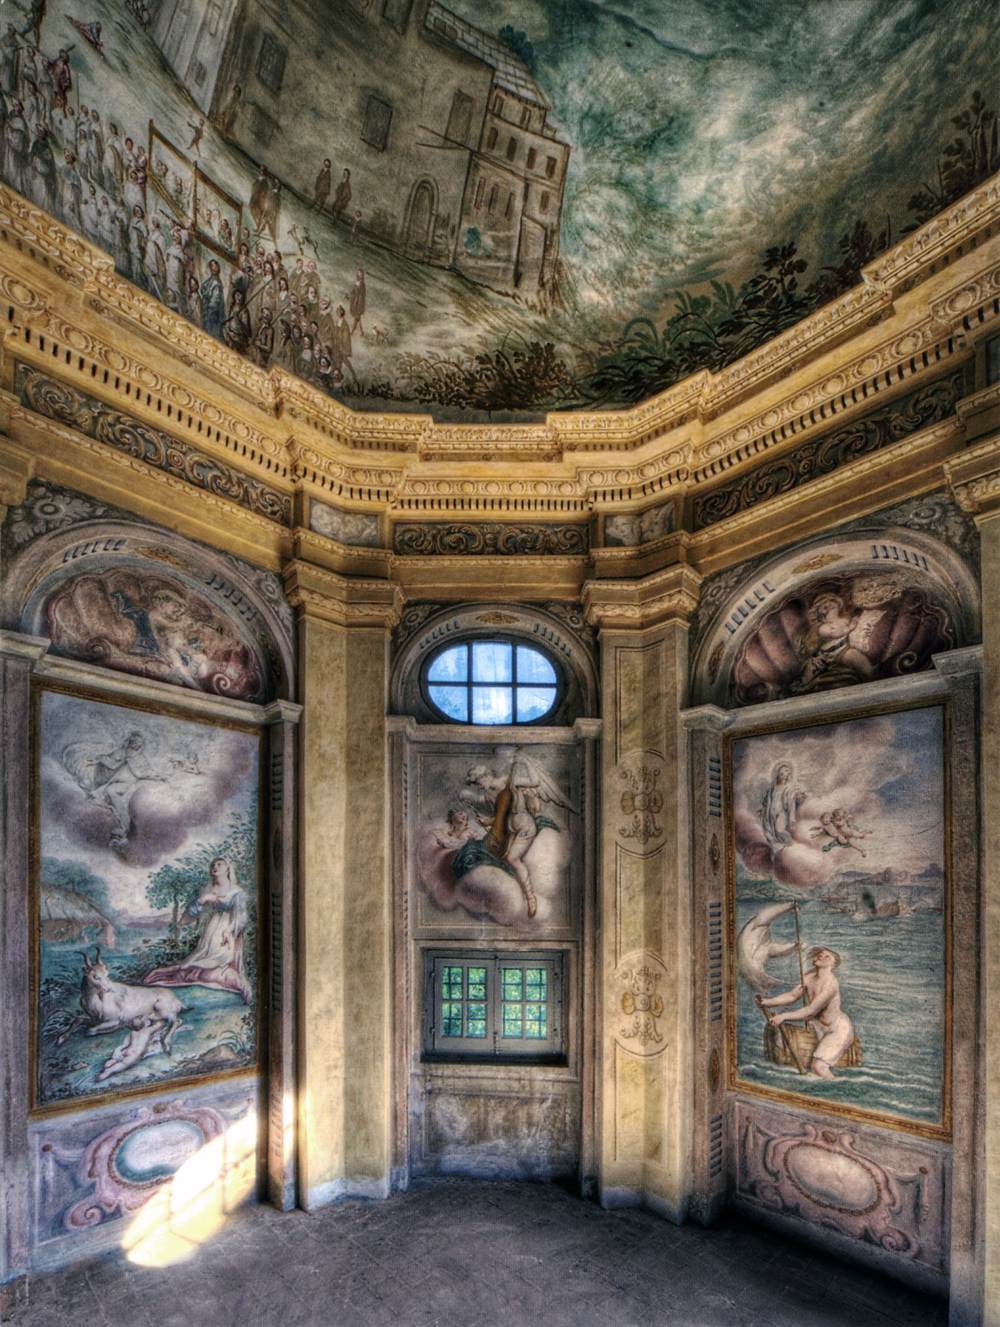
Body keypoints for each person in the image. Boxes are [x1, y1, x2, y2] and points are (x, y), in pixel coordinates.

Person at [143, 856, 253, 1003]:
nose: (215, 866)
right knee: (200, 960)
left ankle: (228, 979)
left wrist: (229, 931)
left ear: (228, 869)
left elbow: (241, 915)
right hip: (211, 929)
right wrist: (202, 900)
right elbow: (192, 912)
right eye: (213, 864)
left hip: (227, 929)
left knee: (221, 959)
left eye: (219, 864)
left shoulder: (236, 891)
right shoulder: (209, 889)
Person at [757, 947, 854, 1079]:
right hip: (818, 1027)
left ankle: (836, 1086)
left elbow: (810, 1011)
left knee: (818, 1067)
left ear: (833, 964)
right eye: (820, 954)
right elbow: (792, 996)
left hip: (836, 1029)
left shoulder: (830, 984)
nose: (821, 956)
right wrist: (767, 1002)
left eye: (827, 957)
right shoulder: (808, 977)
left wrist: (784, 1016)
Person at [759, 762, 805, 850]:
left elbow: (792, 802)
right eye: (784, 771)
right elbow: (767, 800)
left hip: (781, 812)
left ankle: (790, 845)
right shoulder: (772, 788)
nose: (786, 773)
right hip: (770, 813)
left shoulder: (789, 788)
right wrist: (763, 810)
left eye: (787, 771)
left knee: (780, 830)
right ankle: (777, 849)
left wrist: (791, 818)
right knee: (770, 832)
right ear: (778, 773)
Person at [348, 266, 366, 336]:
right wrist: (350, 295)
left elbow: (362, 294)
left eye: (361, 274)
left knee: (357, 318)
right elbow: (353, 290)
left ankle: (352, 332)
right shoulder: (357, 282)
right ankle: (362, 332)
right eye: (358, 274)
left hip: (359, 303)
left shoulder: (362, 284)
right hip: (355, 300)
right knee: (358, 318)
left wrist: (358, 302)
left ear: (362, 275)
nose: (359, 275)